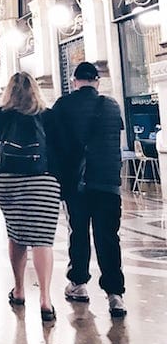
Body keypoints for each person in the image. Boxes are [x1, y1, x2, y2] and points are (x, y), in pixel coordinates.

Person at [51, 61, 127, 318]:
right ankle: (115, 295)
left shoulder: (63, 106)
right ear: (97, 81)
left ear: (74, 81)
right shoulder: (111, 106)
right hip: (108, 183)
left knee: (78, 233)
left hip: (77, 184)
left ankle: (79, 283)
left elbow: (55, 144)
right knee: (109, 237)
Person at [0, 72, 61, 323]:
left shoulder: (1, 115)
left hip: (8, 179)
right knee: (43, 239)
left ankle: (19, 290)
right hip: (42, 179)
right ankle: (45, 299)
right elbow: (58, 148)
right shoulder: (48, 115)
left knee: (16, 234)